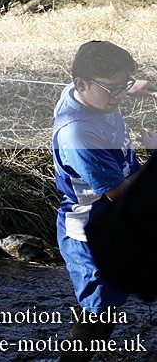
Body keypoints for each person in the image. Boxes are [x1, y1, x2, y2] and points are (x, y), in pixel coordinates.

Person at [51, 40, 157, 361]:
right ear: (80, 83)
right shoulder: (77, 133)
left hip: (124, 218)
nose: (120, 96)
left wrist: (143, 86)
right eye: (112, 89)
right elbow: (118, 193)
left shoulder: (92, 94)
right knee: (98, 319)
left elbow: (120, 84)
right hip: (93, 231)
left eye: (122, 86)